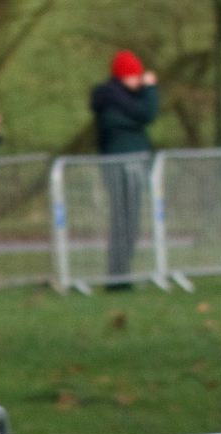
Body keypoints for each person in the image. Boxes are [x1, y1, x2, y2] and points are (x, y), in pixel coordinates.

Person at [90, 51, 161, 289]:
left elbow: (140, 115)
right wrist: (150, 90)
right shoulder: (113, 99)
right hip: (122, 166)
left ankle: (122, 274)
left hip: (129, 164)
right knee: (122, 221)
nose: (138, 81)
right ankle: (117, 276)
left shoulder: (119, 100)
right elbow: (146, 113)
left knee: (130, 221)